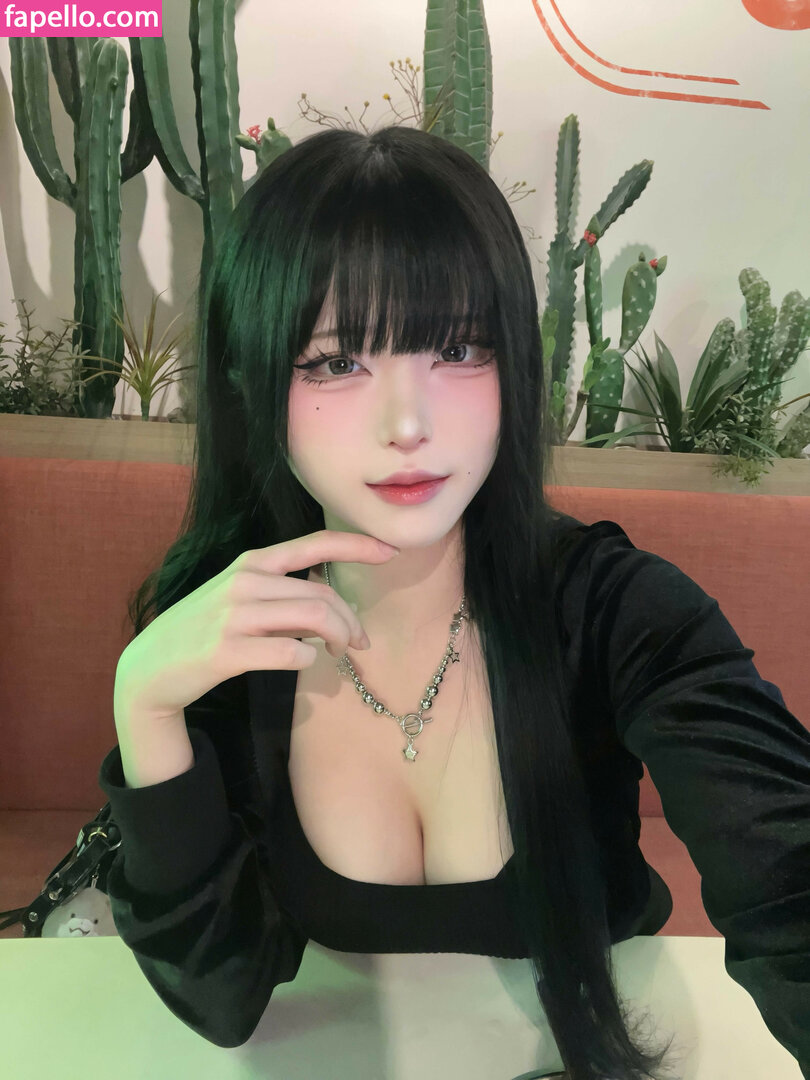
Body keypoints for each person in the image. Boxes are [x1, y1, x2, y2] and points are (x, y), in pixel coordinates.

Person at [99, 124, 810, 1079]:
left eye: (460, 348)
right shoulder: (231, 636)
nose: (409, 424)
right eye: (336, 361)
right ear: (250, 382)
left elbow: (789, 884)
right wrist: (145, 705)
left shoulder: (620, 612)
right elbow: (221, 1004)